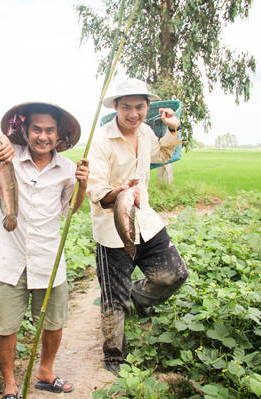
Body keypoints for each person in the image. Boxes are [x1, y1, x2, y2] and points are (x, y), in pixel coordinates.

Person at [0, 102, 89, 399]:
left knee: (54, 322)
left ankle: (45, 372)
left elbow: (72, 208)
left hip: (48, 257)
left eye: (49, 130)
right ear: (25, 130)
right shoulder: (3, 155)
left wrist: (83, 185)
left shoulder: (68, 169)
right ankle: (9, 385)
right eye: (36, 129)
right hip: (10, 258)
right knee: (7, 326)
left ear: (58, 136)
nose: (43, 136)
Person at [86, 78, 189, 373]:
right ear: (116, 107)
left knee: (174, 275)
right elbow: (95, 191)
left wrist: (172, 128)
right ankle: (114, 356)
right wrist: (118, 192)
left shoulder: (145, 133)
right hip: (113, 227)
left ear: (147, 107)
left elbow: (161, 155)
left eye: (140, 107)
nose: (134, 113)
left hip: (145, 220)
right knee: (112, 298)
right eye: (127, 107)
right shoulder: (102, 140)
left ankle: (135, 295)